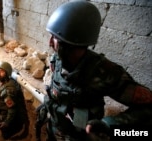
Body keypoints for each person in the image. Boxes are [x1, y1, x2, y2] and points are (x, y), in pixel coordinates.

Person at [35, 1, 152, 141]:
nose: (49, 42)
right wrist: (46, 108)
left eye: (55, 37)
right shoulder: (57, 59)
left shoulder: (104, 72)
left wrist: (109, 125)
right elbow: (56, 92)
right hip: (54, 130)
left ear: (69, 44)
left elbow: (148, 107)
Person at [0, 61, 29, 140]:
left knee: (6, 133)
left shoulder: (8, 90)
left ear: (7, 74)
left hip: (6, 115)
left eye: (2, 71)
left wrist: (6, 122)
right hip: (0, 112)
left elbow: (12, 109)